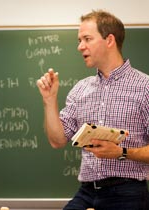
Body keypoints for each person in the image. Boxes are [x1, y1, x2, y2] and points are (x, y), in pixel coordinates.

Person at [37, 10, 149, 210]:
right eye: (79, 40)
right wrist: (49, 100)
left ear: (109, 40)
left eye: (87, 39)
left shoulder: (145, 87)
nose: (80, 46)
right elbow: (57, 140)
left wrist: (121, 152)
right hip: (87, 191)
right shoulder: (80, 88)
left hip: (127, 192)